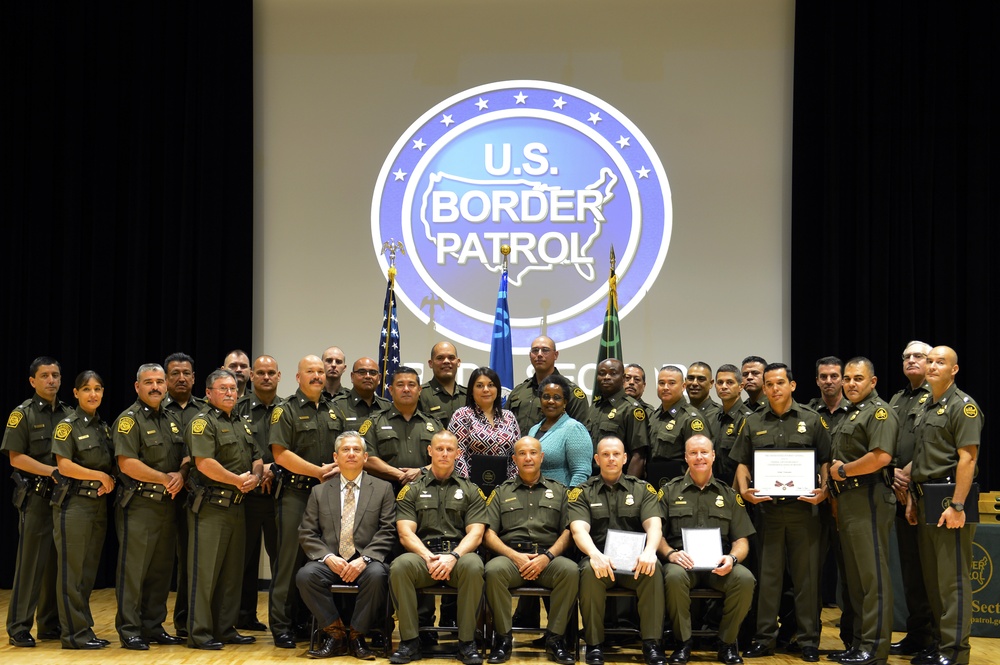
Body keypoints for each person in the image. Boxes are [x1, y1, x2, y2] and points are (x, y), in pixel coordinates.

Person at [731, 363, 830, 663]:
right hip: (768, 513)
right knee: (768, 579)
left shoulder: (811, 420)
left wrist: (824, 490)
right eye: (769, 384)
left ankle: (809, 640)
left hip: (804, 512)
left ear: (792, 385)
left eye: (780, 383)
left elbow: (825, 460)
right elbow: (741, 462)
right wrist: (744, 490)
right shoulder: (752, 421)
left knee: (806, 579)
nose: (774, 388)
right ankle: (764, 639)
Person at [906, 346, 982, 665]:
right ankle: (939, 644)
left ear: (954, 370)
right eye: (931, 361)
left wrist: (959, 505)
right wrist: (911, 497)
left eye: (941, 362)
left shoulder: (963, 406)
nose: (933, 366)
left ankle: (955, 651)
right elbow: (921, 459)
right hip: (926, 496)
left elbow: (968, 457)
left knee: (953, 581)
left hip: (950, 497)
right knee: (935, 580)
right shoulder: (927, 405)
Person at [388, 431, 489, 665]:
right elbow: (405, 532)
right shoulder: (412, 489)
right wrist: (429, 557)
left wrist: (453, 557)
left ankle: (467, 643)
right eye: (440, 449)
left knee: (475, 565)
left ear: (458, 453)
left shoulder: (471, 490)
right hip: (424, 557)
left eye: (450, 449)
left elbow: (476, 533)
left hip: (458, 557)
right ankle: (410, 642)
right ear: (430, 451)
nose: (444, 454)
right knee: (400, 566)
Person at [296, 432, 396, 660]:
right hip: (331, 560)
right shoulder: (319, 491)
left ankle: (357, 636)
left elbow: (387, 530)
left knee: (379, 575)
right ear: (336, 456)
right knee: (305, 576)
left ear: (365, 456)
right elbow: (307, 532)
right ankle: (336, 633)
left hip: (365, 560)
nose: (351, 454)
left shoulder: (382, 489)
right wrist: (327, 557)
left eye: (356, 450)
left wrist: (365, 559)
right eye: (345, 450)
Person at [268, 355, 345, 649]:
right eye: (310, 371)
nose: (317, 375)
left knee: (317, 563)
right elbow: (280, 454)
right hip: (296, 494)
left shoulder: (333, 411)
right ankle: (281, 626)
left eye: (320, 371)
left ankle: (305, 620)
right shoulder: (284, 410)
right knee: (287, 562)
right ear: (297, 377)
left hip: (328, 498)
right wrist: (318, 472)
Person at [569, 436, 666, 665]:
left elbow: (654, 524)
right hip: (599, 557)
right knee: (590, 572)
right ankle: (594, 644)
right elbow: (578, 530)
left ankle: (652, 644)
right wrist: (594, 555)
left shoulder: (643, 490)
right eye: (605, 454)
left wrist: (650, 551)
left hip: (635, 562)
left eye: (616, 454)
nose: (611, 459)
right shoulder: (583, 492)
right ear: (597, 459)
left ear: (624, 459)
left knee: (654, 569)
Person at [185, 369, 263, 649]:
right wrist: (238, 480)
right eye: (223, 389)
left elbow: (257, 456)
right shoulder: (202, 422)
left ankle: (225, 628)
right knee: (205, 574)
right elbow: (204, 463)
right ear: (208, 393)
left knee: (231, 573)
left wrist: (254, 475)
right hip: (211, 508)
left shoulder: (240, 422)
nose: (231, 393)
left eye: (233, 388)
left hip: (237, 506)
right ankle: (200, 633)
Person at [660, 435, 755, 665]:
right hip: (683, 565)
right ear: (685, 457)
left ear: (713, 456)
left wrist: (732, 558)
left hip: (717, 567)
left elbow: (741, 540)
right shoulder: (669, 491)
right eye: (693, 453)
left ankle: (726, 643)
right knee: (672, 576)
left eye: (704, 452)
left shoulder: (729, 495)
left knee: (745, 579)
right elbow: (657, 535)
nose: (699, 457)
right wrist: (671, 554)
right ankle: (683, 643)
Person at [827, 357, 897, 665]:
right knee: (855, 581)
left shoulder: (879, 412)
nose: (851, 383)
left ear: (873, 382)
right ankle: (858, 644)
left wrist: (843, 472)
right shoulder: (849, 413)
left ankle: (875, 647)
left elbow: (881, 457)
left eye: (858, 378)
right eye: (848, 378)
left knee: (873, 579)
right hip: (848, 501)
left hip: (869, 496)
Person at [482, 436, 577, 665]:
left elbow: (569, 531)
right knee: (493, 570)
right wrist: (513, 556)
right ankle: (503, 639)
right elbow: (488, 534)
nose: (528, 458)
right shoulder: (501, 492)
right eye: (522, 453)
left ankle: (555, 639)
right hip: (511, 559)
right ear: (514, 459)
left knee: (571, 570)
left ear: (541, 457)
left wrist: (547, 557)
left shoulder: (560, 491)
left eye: (533, 453)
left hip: (549, 559)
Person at [114, 363, 188, 650]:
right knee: (134, 571)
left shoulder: (171, 418)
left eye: (159, 381)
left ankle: (153, 626)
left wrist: (181, 475)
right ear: (137, 387)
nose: (156, 386)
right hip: (140, 506)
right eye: (149, 382)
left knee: (160, 570)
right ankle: (130, 629)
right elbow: (126, 463)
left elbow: (185, 455)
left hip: (167, 506)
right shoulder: (129, 421)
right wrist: (164, 478)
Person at [3, 356, 70, 648]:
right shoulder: (23, 414)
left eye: (55, 375)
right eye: (45, 376)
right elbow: (15, 457)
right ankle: (19, 626)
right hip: (37, 497)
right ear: (33, 381)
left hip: (64, 499)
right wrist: (52, 471)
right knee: (31, 564)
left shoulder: (68, 413)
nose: (51, 380)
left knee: (56, 563)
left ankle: (49, 623)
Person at [50, 370, 116, 649]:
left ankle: (84, 628)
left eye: (98, 389)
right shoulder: (67, 425)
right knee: (72, 572)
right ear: (75, 393)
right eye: (87, 389)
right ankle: (73, 635)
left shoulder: (104, 427)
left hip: (97, 505)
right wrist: (101, 477)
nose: (93, 394)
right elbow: (64, 465)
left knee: (87, 572)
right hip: (74, 505)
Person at [887, 341, 934, 658]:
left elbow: (941, 444)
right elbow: (887, 440)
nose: (912, 360)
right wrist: (892, 471)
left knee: (933, 571)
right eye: (907, 356)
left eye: (919, 356)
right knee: (911, 571)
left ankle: (939, 639)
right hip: (898, 492)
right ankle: (918, 635)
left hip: (928, 494)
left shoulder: (939, 396)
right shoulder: (897, 398)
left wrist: (909, 471)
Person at [806, 355, 852, 650]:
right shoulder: (808, 412)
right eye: (824, 376)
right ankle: (809, 639)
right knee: (810, 574)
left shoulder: (857, 410)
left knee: (850, 574)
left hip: (850, 503)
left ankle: (851, 639)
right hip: (811, 503)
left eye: (835, 376)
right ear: (817, 380)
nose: (829, 381)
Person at [233, 355, 282, 632]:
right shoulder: (237, 409)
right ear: (252, 376)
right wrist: (256, 472)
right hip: (248, 496)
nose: (266, 377)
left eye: (271, 372)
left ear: (279, 376)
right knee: (245, 560)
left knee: (281, 561)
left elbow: (294, 447)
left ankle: (280, 621)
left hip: (280, 495)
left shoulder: (287, 409)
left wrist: (272, 468)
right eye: (260, 372)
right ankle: (243, 616)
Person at [162, 351, 204, 636]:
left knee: (192, 562)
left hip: (194, 498)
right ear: (165, 378)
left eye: (186, 373)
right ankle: (148, 623)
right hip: (158, 499)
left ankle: (186, 621)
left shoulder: (203, 410)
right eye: (175, 373)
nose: (181, 378)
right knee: (159, 563)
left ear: (193, 377)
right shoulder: (153, 409)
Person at [363, 366, 440, 487]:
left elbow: (446, 458)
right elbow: (366, 458)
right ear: (391, 390)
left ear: (419, 390)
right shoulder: (375, 422)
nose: (406, 389)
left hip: (426, 492)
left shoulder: (434, 424)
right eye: (400, 385)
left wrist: (421, 471)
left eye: (411, 385)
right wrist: (400, 475)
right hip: (385, 492)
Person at [629, 365, 706, 484]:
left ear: (683, 386)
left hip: (679, 490)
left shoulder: (690, 419)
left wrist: (681, 490)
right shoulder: (653, 416)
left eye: (671, 383)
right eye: (661, 383)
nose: (665, 387)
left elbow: (699, 461)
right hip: (652, 487)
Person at [451, 367, 521, 484]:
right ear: (471, 391)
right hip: (471, 490)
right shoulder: (462, 415)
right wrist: (468, 487)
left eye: (491, 385)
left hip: (506, 490)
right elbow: (457, 455)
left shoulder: (509, 417)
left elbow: (517, 454)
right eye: (479, 386)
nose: (486, 389)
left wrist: (511, 487)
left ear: (498, 390)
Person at [508, 335, 590, 436]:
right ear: (530, 355)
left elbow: (581, 434)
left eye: (545, 350)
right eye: (535, 350)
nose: (539, 354)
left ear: (555, 355)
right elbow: (505, 426)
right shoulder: (519, 391)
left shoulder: (570, 392)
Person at [527, 374, 592, 487]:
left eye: (557, 398)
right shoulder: (533, 430)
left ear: (565, 403)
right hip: (534, 497)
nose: (551, 401)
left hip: (561, 500)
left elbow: (581, 472)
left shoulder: (574, 428)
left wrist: (571, 501)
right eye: (546, 397)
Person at [588, 358, 649, 458]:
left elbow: (638, 456)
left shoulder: (630, 409)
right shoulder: (594, 408)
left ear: (623, 378)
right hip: (591, 472)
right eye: (602, 373)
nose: (606, 377)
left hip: (619, 472)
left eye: (613, 373)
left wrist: (629, 475)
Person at [712, 364, 752, 486]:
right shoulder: (713, 417)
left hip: (736, 487)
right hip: (714, 486)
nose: (724, 386)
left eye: (729, 382)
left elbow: (745, 463)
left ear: (741, 387)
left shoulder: (748, 418)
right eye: (720, 382)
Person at [419, 341, 467, 429]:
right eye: (440, 358)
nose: (446, 361)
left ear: (458, 362)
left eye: (451, 357)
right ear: (430, 363)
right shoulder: (420, 394)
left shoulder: (469, 396)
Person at [334, 357, 392, 428]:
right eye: (362, 372)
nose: (368, 376)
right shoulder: (337, 406)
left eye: (373, 373)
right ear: (352, 377)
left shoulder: (387, 407)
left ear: (379, 378)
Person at [685, 362, 721, 431]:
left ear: (711, 383)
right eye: (691, 378)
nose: (694, 383)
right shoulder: (680, 414)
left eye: (701, 379)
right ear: (685, 381)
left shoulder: (720, 415)